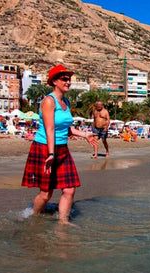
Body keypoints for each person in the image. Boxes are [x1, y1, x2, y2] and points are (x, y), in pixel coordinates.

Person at [21, 65, 97, 226]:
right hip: (45, 148)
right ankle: (31, 217)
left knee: (69, 188)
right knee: (46, 194)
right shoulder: (49, 101)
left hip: (62, 149)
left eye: (69, 79)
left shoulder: (66, 101)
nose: (68, 82)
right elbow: (50, 128)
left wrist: (84, 135)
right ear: (54, 81)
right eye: (64, 79)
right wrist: (50, 154)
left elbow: (66, 127)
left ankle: (63, 222)